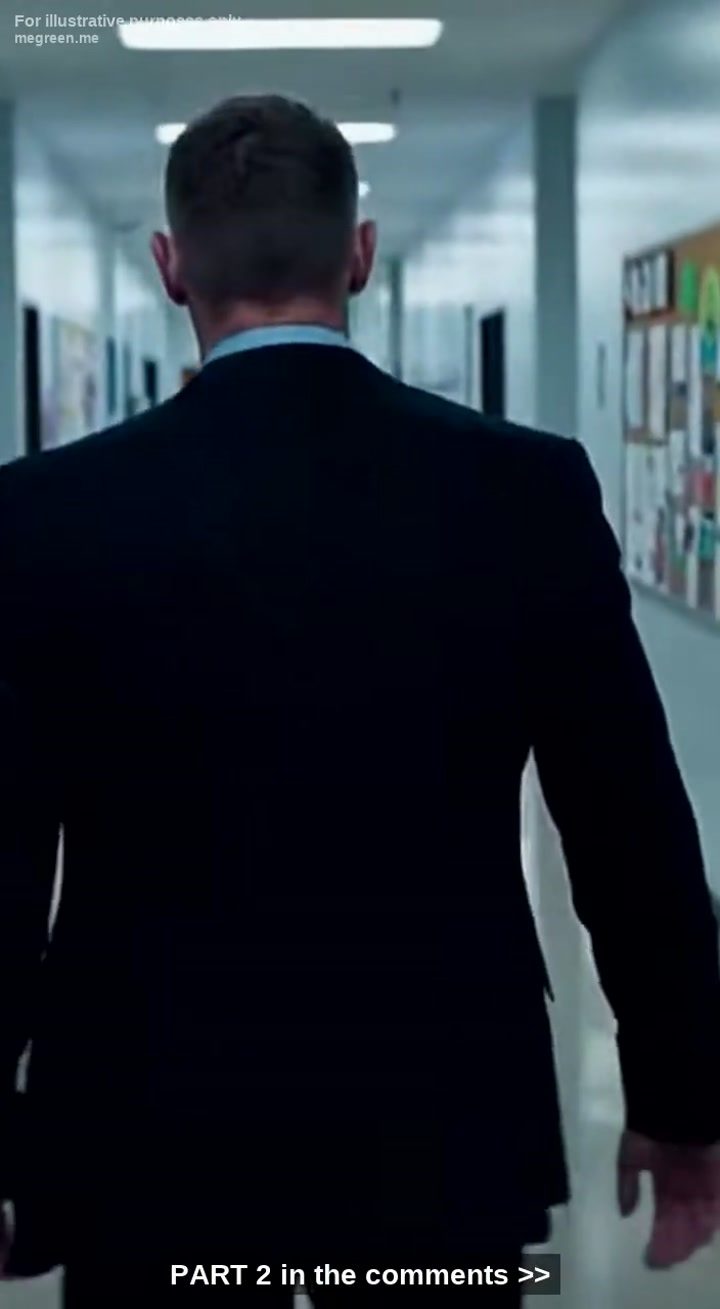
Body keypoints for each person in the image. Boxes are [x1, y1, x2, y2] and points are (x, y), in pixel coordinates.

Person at [0, 95, 719, 1306]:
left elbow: (6, 860)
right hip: (440, 1107)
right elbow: (629, 821)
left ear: (169, 268)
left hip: (145, 1125)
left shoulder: (43, 515)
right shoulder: (523, 490)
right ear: (362, 254)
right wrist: (686, 1097)